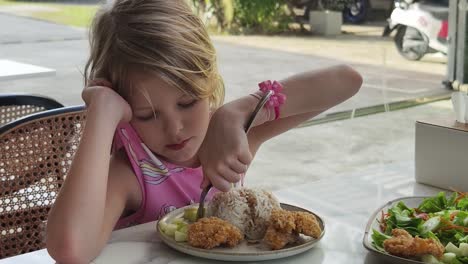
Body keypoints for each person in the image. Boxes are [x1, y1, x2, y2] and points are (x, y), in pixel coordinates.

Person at [45, 0, 362, 262]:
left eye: (187, 103)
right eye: (147, 115)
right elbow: (70, 250)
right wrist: (102, 113)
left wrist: (236, 112)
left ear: (209, 84)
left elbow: (347, 80)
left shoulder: (231, 139)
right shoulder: (132, 173)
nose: (175, 128)